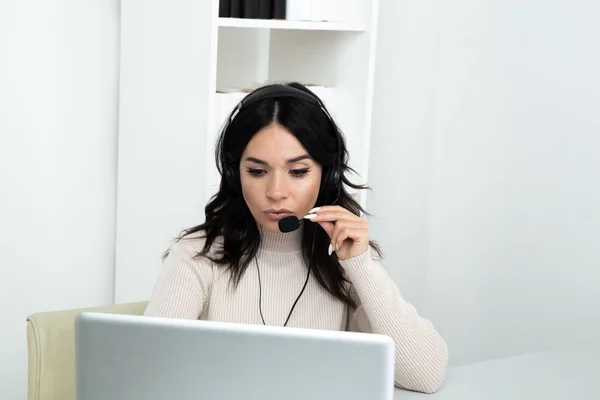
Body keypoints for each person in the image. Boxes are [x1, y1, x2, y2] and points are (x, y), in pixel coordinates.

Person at [144, 82, 448, 394]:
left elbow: (426, 374)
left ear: (326, 174)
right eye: (257, 172)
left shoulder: (343, 262)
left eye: (298, 172)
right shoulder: (198, 256)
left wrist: (361, 266)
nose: (276, 193)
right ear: (236, 176)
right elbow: (145, 378)